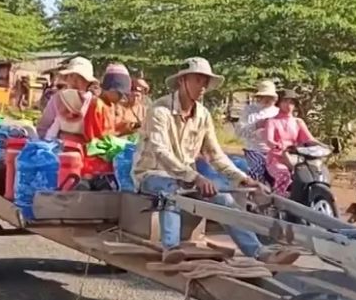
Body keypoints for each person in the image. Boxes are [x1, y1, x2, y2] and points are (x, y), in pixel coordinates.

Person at [132, 57, 300, 265]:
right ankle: (171, 247)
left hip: (187, 178)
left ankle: (259, 252)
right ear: (182, 81)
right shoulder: (160, 111)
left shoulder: (203, 115)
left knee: (224, 199)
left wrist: (242, 179)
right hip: (152, 175)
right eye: (198, 80)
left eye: (206, 82)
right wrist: (195, 177)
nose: (203, 87)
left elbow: (215, 155)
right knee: (171, 190)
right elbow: (161, 152)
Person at [263, 90, 325, 196]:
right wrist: (275, 145)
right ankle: (277, 201)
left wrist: (325, 146)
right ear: (279, 103)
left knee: (314, 174)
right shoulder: (271, 121)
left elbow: (310, 139)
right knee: (284, 174)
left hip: (296, 159)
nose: (289, 105)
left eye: (292, 102)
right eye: (285, 101)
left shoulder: (298, 122)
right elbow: (269, 140)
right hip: (277, 159)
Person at [36, 57, 98, 138]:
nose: (75, 81)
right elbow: (42, 128)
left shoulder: (93, 103)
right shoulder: (57, 99)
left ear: (88, 82)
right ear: (66, 78)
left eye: (81, 78)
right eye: (72, 76)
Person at [235, 80, 279, 181]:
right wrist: (256, 125)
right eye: (265, 96)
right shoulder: (249, 111)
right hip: (254, 149)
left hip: (274, 151)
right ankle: (254, 191)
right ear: (259, 97)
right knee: (257, 167)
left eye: (270, 97)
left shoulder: (277, 112)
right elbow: (239, 132)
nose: (268, 99)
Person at [83, 63, 132, 141]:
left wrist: (127, 126)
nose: (121, 98)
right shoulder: (97, 105)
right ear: (109, 89)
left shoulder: (111, 105)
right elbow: (93, 136)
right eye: (119, 94)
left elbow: (110, 129)